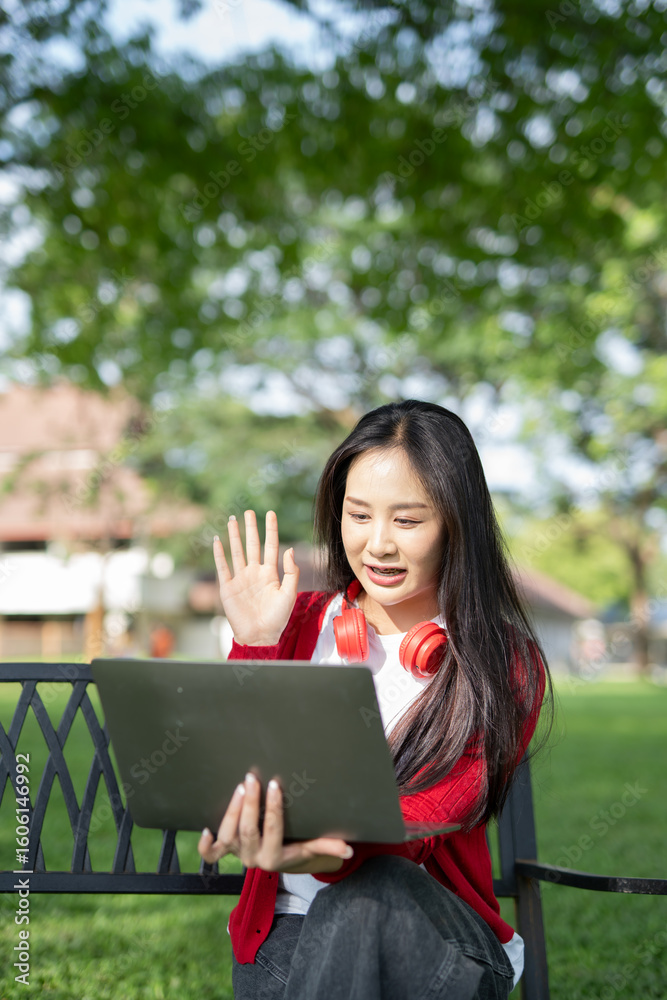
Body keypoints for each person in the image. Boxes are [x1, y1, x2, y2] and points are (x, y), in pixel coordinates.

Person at [198, 399, 552, 1000]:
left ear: (457, 524)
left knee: (368, 891)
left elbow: (425, 823)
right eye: (358, 515)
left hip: (439, 943)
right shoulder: (293, 622)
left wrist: (316, 855)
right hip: (288, 940)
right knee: (336, 920)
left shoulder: (504, 662)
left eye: (407, 521)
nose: (378, 544)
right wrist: (257, 643)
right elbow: (235, 765)